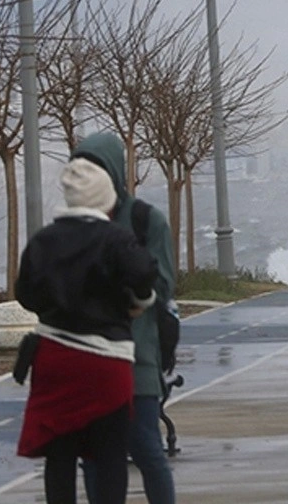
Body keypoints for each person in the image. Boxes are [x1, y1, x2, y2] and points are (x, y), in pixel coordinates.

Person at [15, 158, 158, 504]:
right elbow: (143, 273)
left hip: (54, 358)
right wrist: (139, 301)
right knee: (110, 456)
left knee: (59, 456)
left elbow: (26, 293)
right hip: (106, 362)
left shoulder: (43, 241)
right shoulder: (116, 239)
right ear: (105, 198)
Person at [75, 132, 177, 504]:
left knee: (147, 450)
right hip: (87, 360)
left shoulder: (145, 220)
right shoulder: (75, 228)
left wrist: (122, 287)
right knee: (93, 460)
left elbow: (164, 286)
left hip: (137, 358)